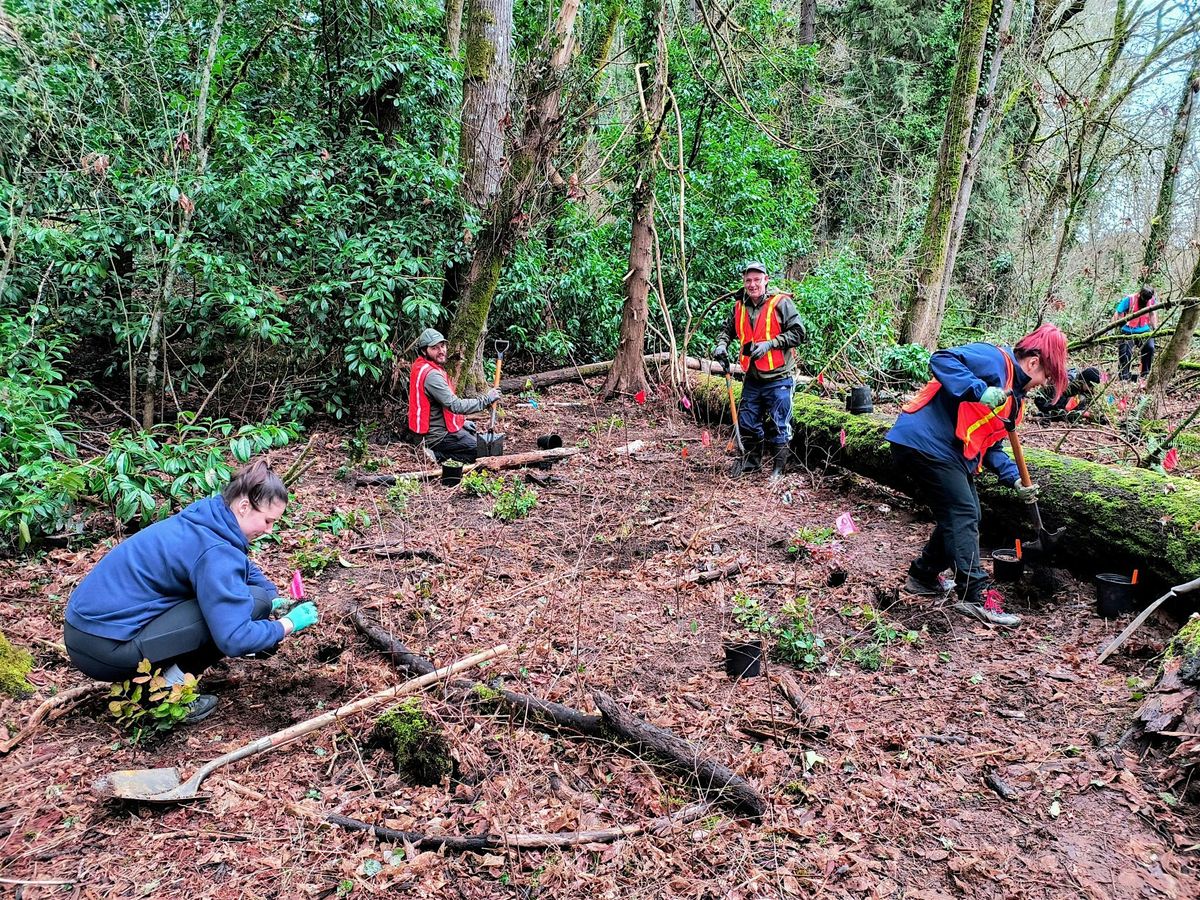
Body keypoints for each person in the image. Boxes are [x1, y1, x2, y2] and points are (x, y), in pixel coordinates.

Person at [64, 460, 317, 723]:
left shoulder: (208, 517)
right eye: (267, 520)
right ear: (244, 507)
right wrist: (288, 624)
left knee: (257, 599)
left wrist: (274, 597)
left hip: (88, 632)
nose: (269, 530)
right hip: (105, 648)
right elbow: (235, 638)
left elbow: (240, 565)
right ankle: (162, 694)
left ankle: (153, 680)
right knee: (250, 606)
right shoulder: (215, 550)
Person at [886, 325, 1068, 627]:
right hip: (923, 440)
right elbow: (941, 359)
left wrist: (1014, 479)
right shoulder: (994, 360)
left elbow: (992, 447)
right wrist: (978, 389)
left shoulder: (1015, 402)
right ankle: (975, 595)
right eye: (1046, 377)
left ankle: (923, 575)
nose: (1043, 384)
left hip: (949, 451)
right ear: (1034, 362)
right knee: (963, 511)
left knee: (967, 513)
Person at [712, 262, 806, 479]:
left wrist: (771, 344)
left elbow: (799, 333)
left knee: (780, 424)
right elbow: (728, 330)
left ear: (766, 280)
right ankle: (751, 463)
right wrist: (722, 345)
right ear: (744, 282)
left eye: (757, 280)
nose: (752, 284)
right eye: (748, 280)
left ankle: (778, 470)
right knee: (747, 421)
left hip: (779, 376)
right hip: (752, 376)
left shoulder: (781, 303)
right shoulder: (739, 306)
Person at [408, 328, 500, 463]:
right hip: (434, 437)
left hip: (429, 431)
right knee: (483, 451)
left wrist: (461, 422)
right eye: (434, 348)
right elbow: (455, 405)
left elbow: (442, 406)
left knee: (471, 432)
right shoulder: (432, 376)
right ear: (424, 351)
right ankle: (436, 455)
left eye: (442, 346)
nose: (441, 351)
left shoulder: (422, 366)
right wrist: (486, 400)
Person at [1114, 285, 1157, 382]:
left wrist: (1155, 328)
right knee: (1125, 353)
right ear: (1140, 295)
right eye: (1144, 298)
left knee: (1149, 347)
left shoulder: (1151, 300)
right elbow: (1119, 312)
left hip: (1144, 330)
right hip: (1128, 330)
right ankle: (1124, 377)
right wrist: (1121, 325)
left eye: (1147, 299)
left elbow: (1152, 314)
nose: (1145, 301)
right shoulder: (1129, 299)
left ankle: (1145, 374)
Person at [1033, 366, 1102, 420]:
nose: (1091, 389)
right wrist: (1085, 414)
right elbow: (1064, 410)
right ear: (1084, 382)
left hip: (1052, 403)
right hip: (1045, 402)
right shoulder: (1069, 384)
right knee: (1080, 398)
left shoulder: (1083, 388)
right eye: (1091, 386)